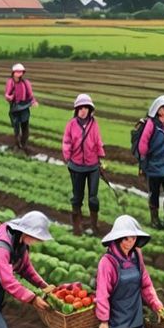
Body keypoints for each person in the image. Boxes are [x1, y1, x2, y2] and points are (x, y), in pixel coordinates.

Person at [62, 94, 104, 236]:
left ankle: (94, 225)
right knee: (77, 198)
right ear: (77, 109)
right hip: (77, 166)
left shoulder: (94, 124)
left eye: (86, 107)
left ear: (90, 109)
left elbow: (98, 141)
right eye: (81, 108)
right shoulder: (71, 124)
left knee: (93, 198)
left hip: (93, 165)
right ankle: (77, 228)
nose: (83, 110)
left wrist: (100, 158)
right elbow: (67, 142)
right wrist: (68, 157)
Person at [137, 95, 164, 230]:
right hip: (154, 165)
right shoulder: (151, 124)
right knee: (153, 194)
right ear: (157, 109)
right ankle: (155, 220)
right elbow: (143, 145)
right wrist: (145, 161)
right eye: (163, 108)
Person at [5, 63, 34, 151]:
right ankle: (17, 145)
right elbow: (7, 94)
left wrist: (33, 101)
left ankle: (24, 145)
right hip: (15, 107)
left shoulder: (26, 83)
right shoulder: (10, 82)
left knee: (25, 126)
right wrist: (10, 97)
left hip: (24, 107)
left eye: (21, 72)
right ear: (13, 73)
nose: (19, 74)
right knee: (16, 126)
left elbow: (30, 94)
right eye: (17, 72)